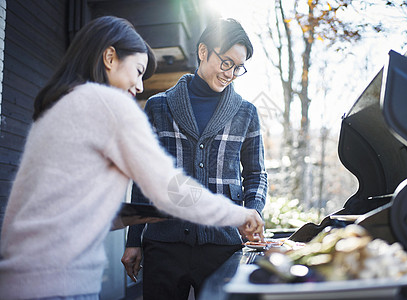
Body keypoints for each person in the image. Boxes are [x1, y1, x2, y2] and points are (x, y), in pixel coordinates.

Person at [0, 16, 264, 300]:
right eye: (138, 71)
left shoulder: (56, 108)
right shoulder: (116, 106)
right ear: (110, 58)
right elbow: (162, 184)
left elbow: (69, 205)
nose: (139, 86)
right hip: (64, 279)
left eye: (239, 68)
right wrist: (240, 215)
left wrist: (252, 208)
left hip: (18, 277)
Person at [121, 18, 267, 300]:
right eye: (226, 63)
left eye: (239, 68)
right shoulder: (159, 106)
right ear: (203, 51)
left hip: (224, 246)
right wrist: (134, 240)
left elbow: (256, 174)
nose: (231, 73)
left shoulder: (246, 113)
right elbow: (144, 177)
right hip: (163, 244)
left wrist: (253, 210)